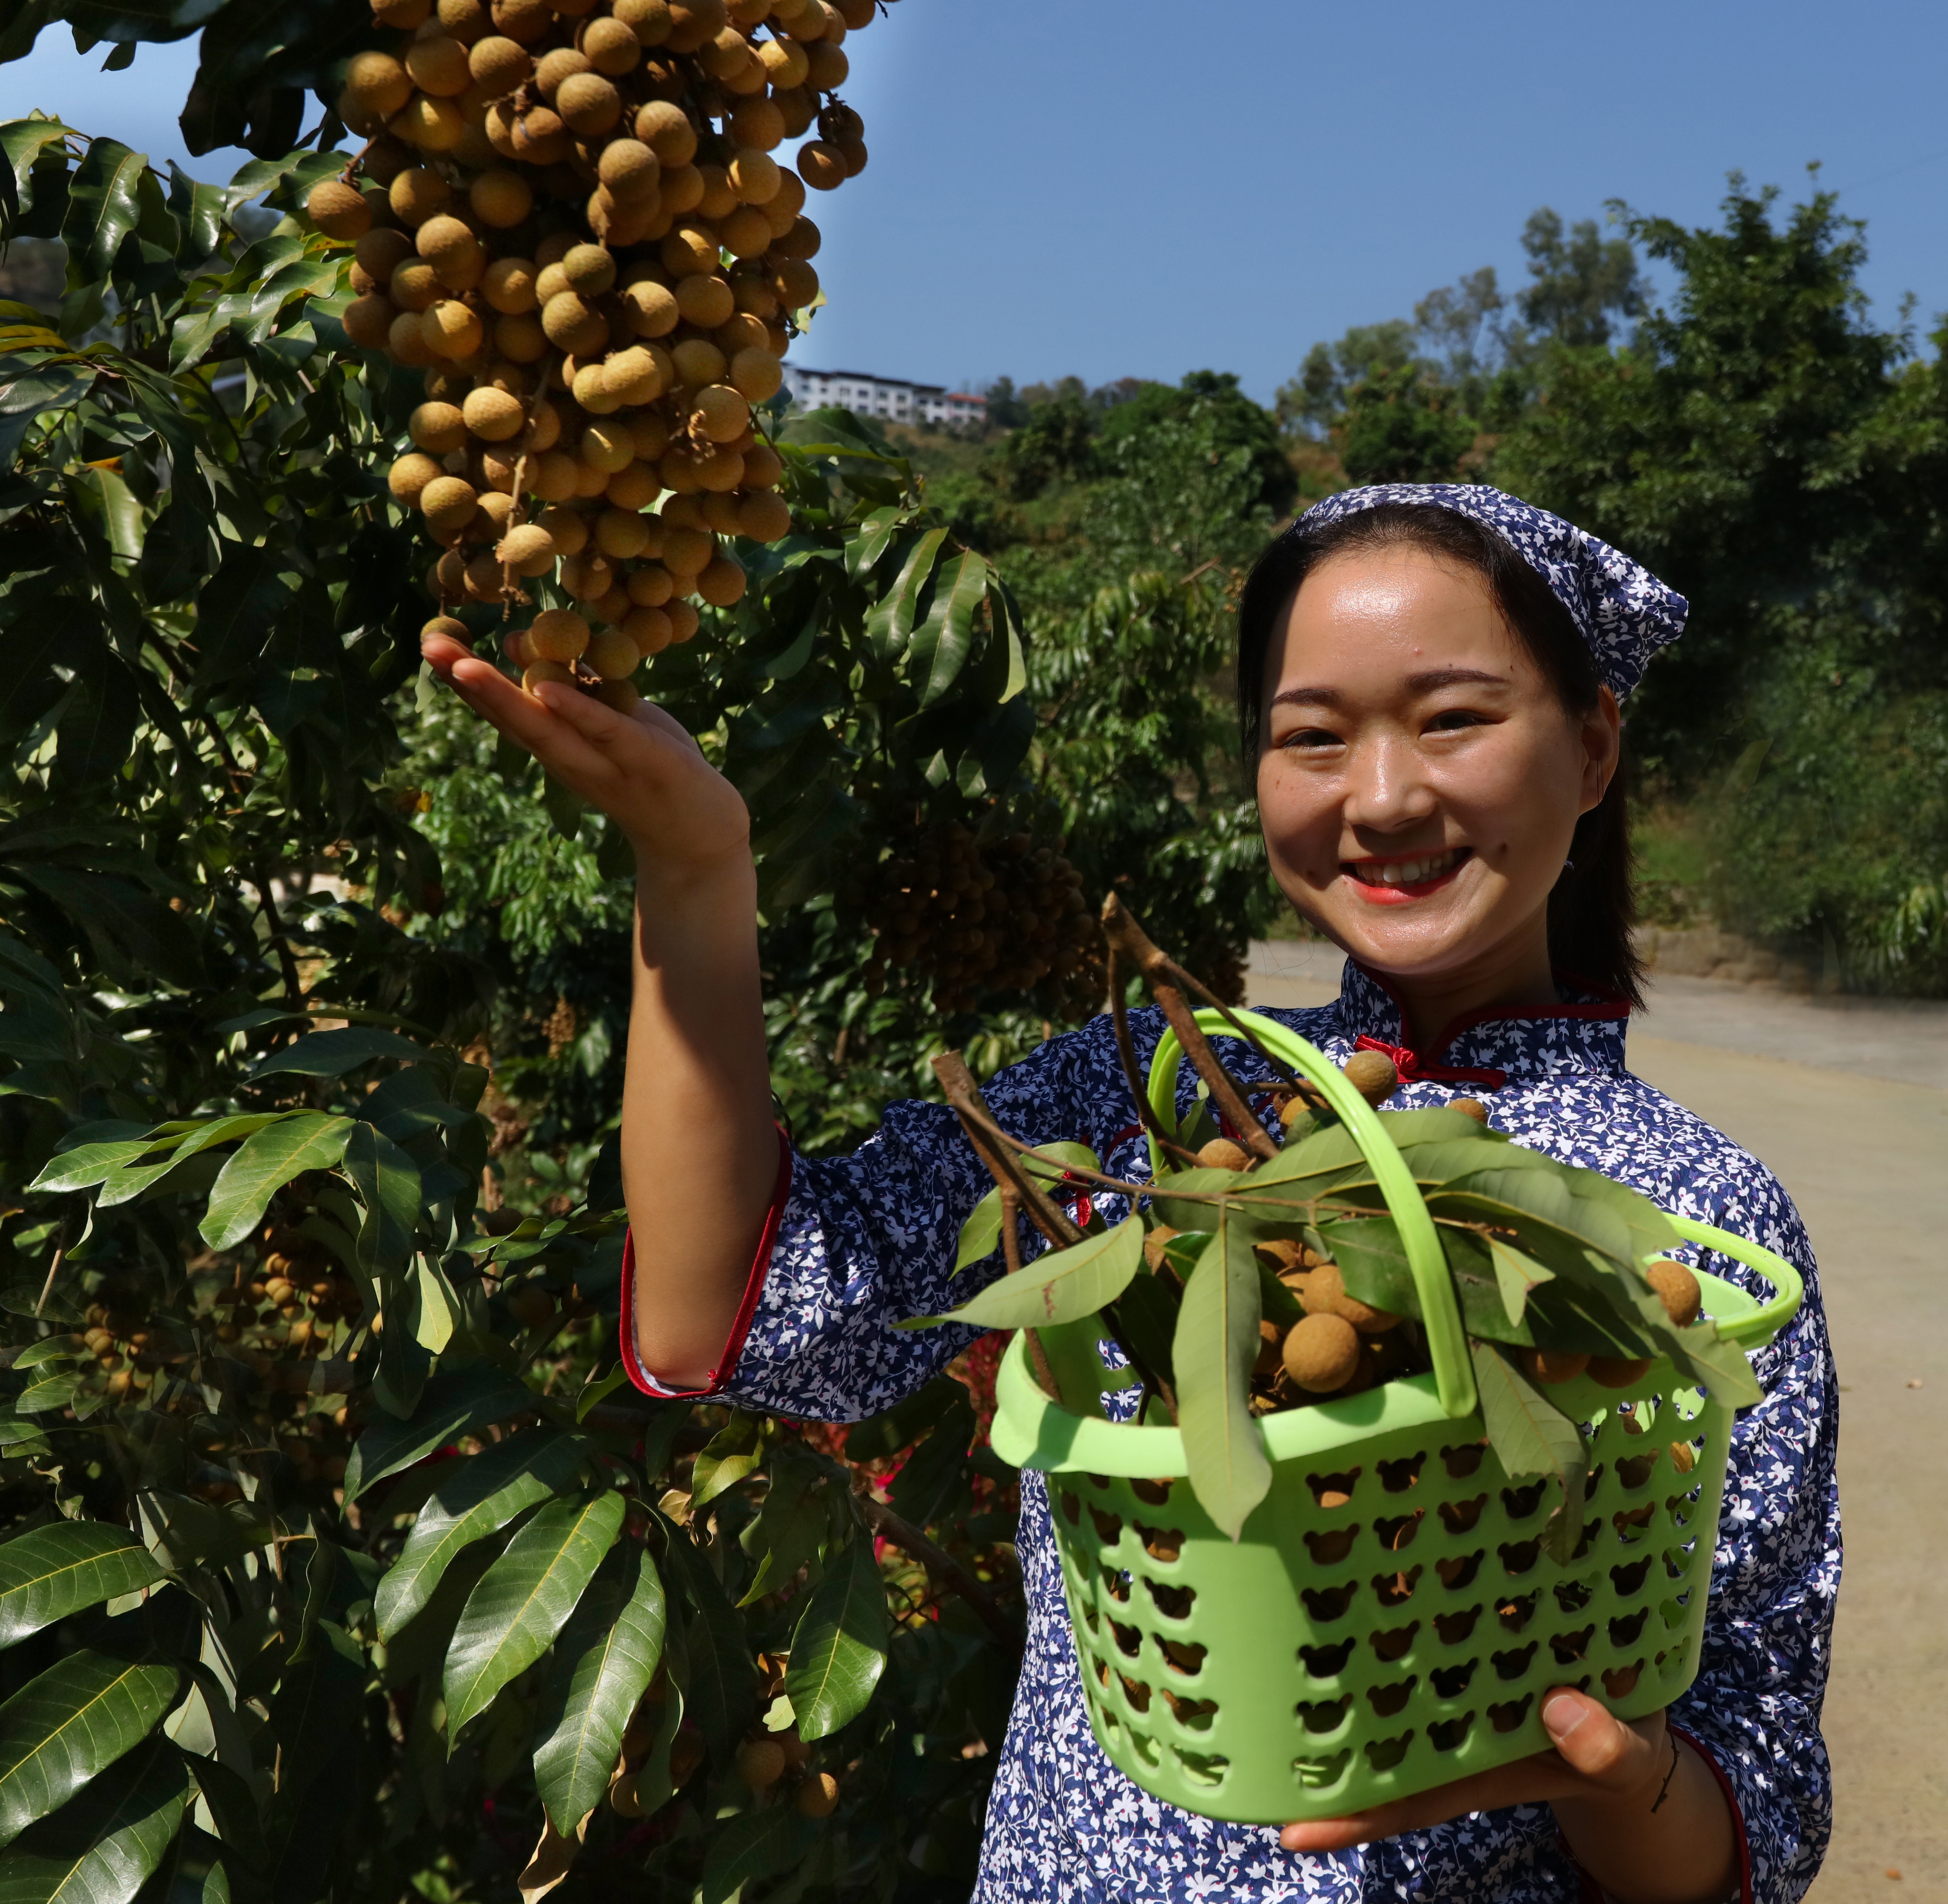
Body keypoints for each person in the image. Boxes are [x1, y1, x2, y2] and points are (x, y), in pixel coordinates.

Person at [419, 482, 1837, 1904]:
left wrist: (1619, 1778)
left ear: (1591, 748)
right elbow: (731, 1309)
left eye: (1454, 719)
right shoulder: (1132, 1101)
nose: (1384, 795)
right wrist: (692, 870)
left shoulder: (1700, 1213)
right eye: (1313, 737)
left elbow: (1756, 1773)